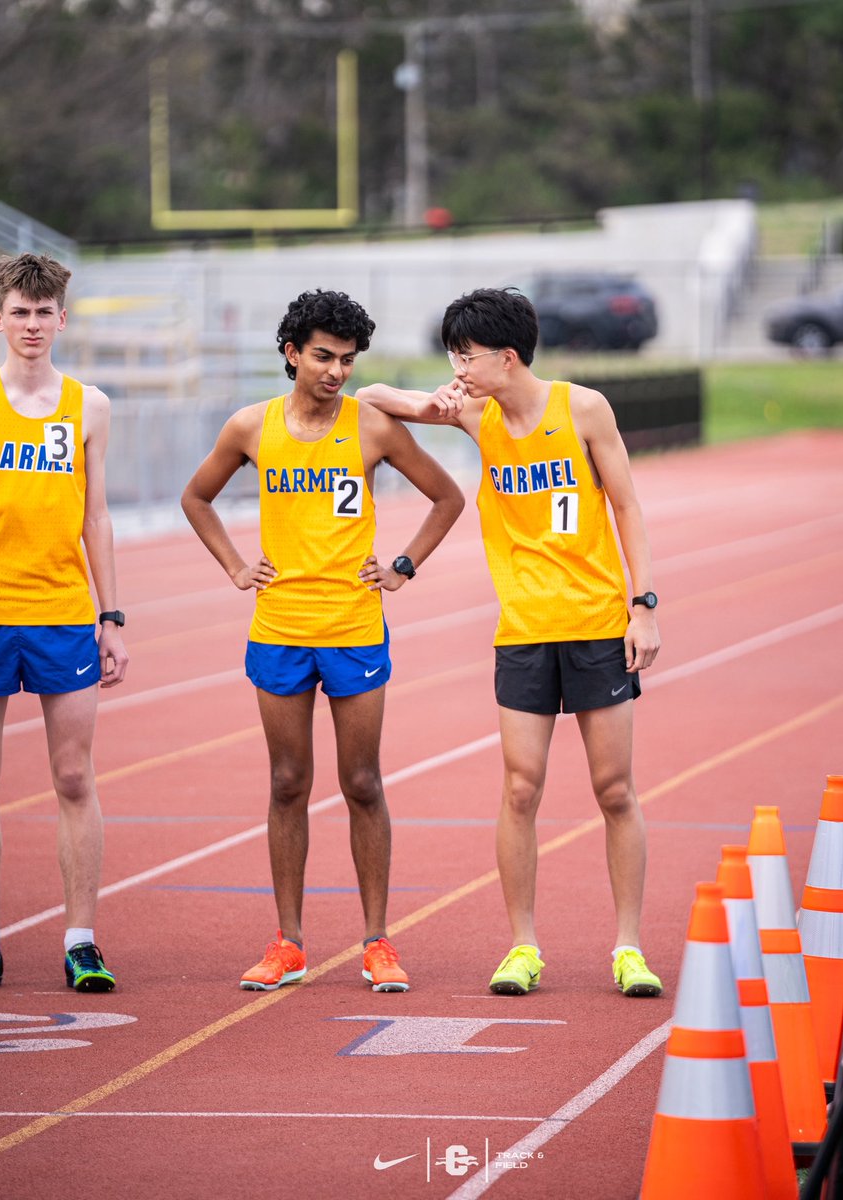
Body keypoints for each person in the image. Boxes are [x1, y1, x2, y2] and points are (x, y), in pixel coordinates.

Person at [357, 287, 663, 997]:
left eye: (466, 356)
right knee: (520, 787)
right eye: (450, 356)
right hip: (522, 630)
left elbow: (625, 506)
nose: (457, 368)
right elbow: (372, 396)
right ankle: (522, 946)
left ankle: (627, 948)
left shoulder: (582, 408)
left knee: (613, 789)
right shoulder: (471, 411)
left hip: (593, 624)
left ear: (507, 355)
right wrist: (432, 405)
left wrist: (641, 607)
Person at [182, 289, 464, 993]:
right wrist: (235, 566)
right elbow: (197, 497)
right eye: (322, 357)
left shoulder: (371, 429)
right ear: (290, 353)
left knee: (362, 782)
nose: (336, 371)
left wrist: (401, 566)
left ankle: (376, 942)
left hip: (353, 628)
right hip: (278, 629)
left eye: (346, 359)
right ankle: (288, 942)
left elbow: (448, 497)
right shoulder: (252, 427)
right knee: (287, 784)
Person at [0, 252, 129, 993]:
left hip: (61, 615)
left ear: (62, 319)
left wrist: (111, 616)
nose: (33, 324)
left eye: (45, 313)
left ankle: (81, 939)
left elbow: (96, 516)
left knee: (74, 776)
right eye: (20, 311)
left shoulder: (90, 405)